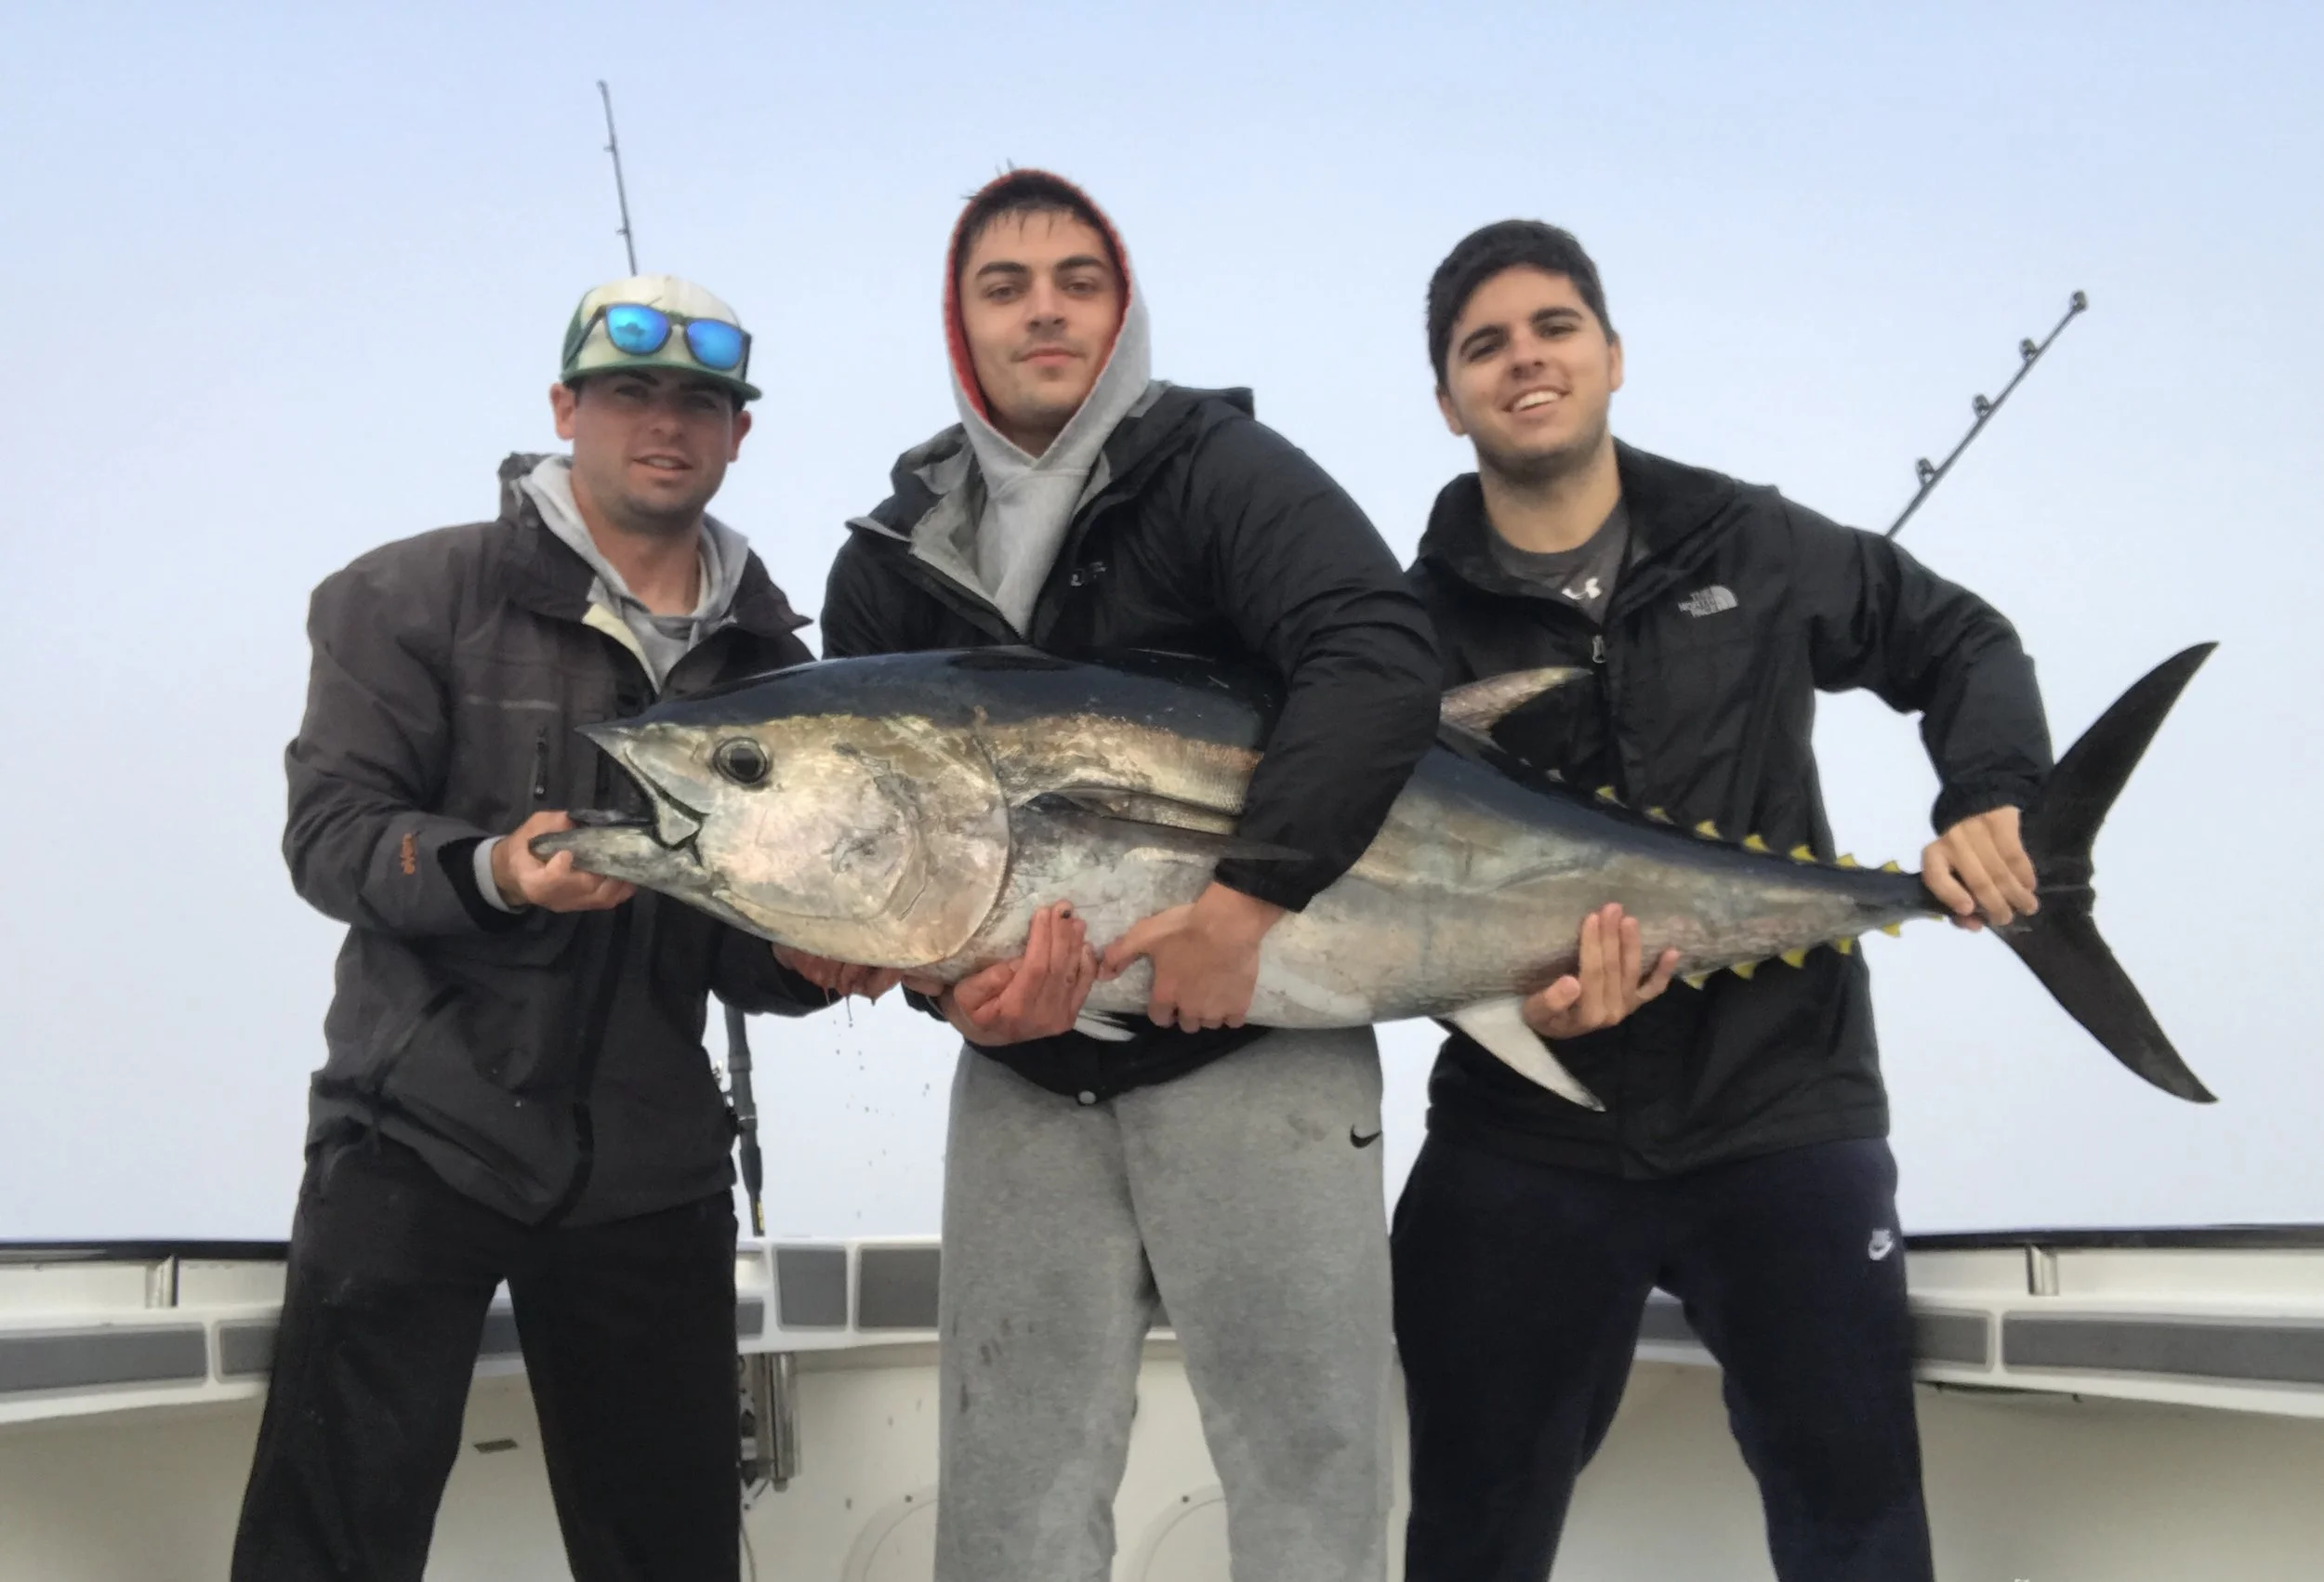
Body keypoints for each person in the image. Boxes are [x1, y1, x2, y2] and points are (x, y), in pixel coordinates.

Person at [802, 169, 1442, 1582]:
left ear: (1125, 302)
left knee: (1307, 1472)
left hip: (1260, 1049)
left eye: (1079, 280)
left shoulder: (1217, 470)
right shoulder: (888, 560)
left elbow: (1382, 653)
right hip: (1029, 1086)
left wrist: (1245, 906)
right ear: (958, 321)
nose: (1046, 310)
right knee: (1008, 1493)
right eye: (1005, 284)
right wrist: (958, 1002)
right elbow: (898, 873)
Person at [1391, 220, 2052, 1582]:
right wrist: (1513, 1000)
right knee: (1466, 1539)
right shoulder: (1400, 634)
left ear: (1614, 356)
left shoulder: (1747, 539)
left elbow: (1960, 639)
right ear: (1445, 397)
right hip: (1527, 1130)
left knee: (1856, 1531)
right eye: (1485, 345)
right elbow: (1378, 896)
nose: (1527, 360)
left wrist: (1989, 794)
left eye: (1555, 327)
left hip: (1781, 1111)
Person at [235, 276, 838, 1582]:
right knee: (328, 1545)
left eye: (699, 400)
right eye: (629, 393)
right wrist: (495, 868)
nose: (664, 423)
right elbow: (330, 835)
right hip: (416, 1139)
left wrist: (809, 962)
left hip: (649, 1164)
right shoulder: (407, 593)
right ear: (566, 407)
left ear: (741, 432)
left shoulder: (780, 669)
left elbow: (741, 941)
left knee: (673, 1556)